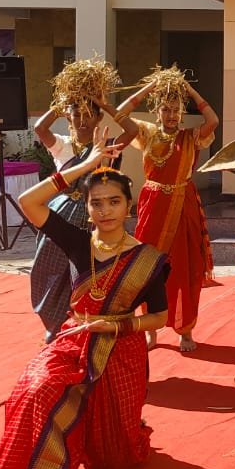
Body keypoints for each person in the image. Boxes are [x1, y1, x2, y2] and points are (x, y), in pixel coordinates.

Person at [0, 131, 168, 469]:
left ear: (129, 206)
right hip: (74, 340)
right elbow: (30, 202)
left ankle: (130, 429)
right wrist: (81, 167)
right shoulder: (77, 241)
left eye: (114, 202)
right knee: (34, 391)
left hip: (120, 349)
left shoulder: (148, 260)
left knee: (114, 460)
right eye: (96, 203)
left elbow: (160, 318)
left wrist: (117, 324)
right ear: (86, 207)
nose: (105, 211)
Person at [117, 74, 219, 352]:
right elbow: (119, 114)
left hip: (183, 203)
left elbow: (213, 121)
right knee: (149, 267)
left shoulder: (191, 137)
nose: (171, 114)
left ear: (182, 112)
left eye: (176, 109)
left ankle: (185, 330)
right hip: (153, 204)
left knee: (185, 267)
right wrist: (149, 86)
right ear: (156, 110)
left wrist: (189, 89)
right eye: (165, 108)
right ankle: (151, 328)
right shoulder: (146, 133)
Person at [29, 93, 136, 341]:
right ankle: (56, 327)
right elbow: (39, 127)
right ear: (69, 117)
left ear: (99, 117)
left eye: (89, 114)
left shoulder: (107, 146)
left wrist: (105, 104)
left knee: (91, 275)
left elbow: (131, 130)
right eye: (77, 114)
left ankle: (89, 331)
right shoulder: (62, 145)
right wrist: (63, 100)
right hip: (61, 216)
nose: (82, 120)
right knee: (50, 272)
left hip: (96, 218)